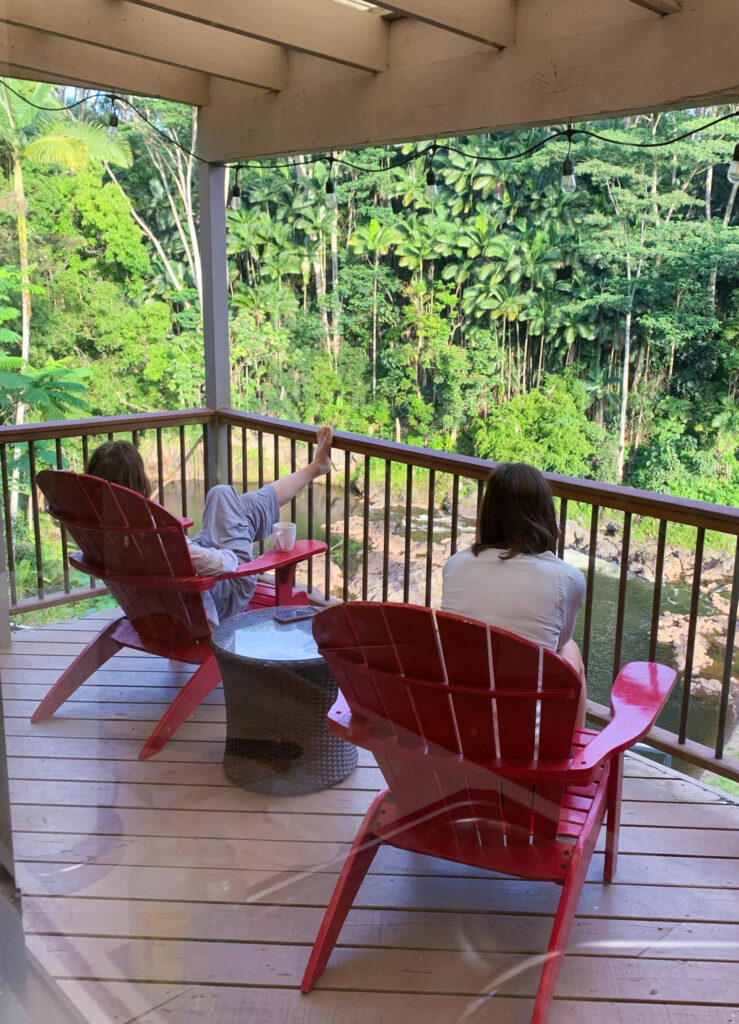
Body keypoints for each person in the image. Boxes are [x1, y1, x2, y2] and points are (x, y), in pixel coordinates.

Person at [86, 427, 333, 623]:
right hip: (219, 595)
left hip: (162, 605)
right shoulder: (151, 530)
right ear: (139, 481)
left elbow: (188, 555)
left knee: (233, 505)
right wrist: (227, 553)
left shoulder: (97, 529)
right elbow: (224, 563)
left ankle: (314, 468)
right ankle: (315, 468)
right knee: (222, 494)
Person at [441, 461, 587, 725]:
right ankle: (574, 750)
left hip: (462, 727)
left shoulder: (455, 565)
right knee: (571, 649)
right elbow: (558, 643)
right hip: (526, 739)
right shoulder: (568, 578)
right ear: (544, 516)